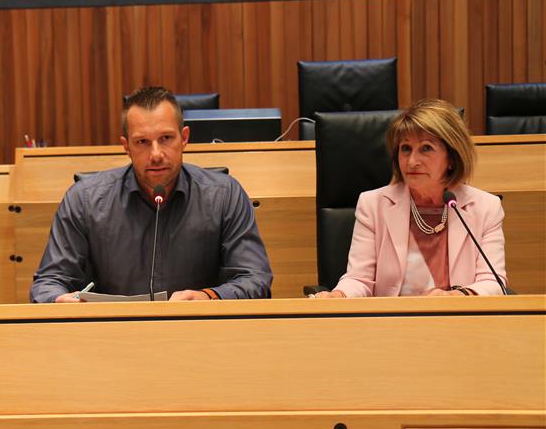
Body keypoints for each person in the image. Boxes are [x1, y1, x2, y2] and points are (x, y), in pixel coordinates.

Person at [31, 86, 273, 303]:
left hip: (199, 331)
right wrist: (60, 300)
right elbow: (48, 283)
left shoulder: (224, 195)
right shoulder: (84, 200)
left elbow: (255, 279)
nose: (156, 154)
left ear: (184, 138)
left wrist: (208, 296)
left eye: (166, 138)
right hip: (111, 333)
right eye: (142, 142)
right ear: (126, 146)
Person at [315, 98, 506, 298]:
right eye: (406, 148)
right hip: (394, 315)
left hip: (458, 315)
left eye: (426, 148)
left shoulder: (486, 208)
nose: (412, 161)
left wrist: (458, 296)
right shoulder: (373, 205)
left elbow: (493, 282)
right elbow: (359, 279)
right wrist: (339, 295)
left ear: (451, 158)